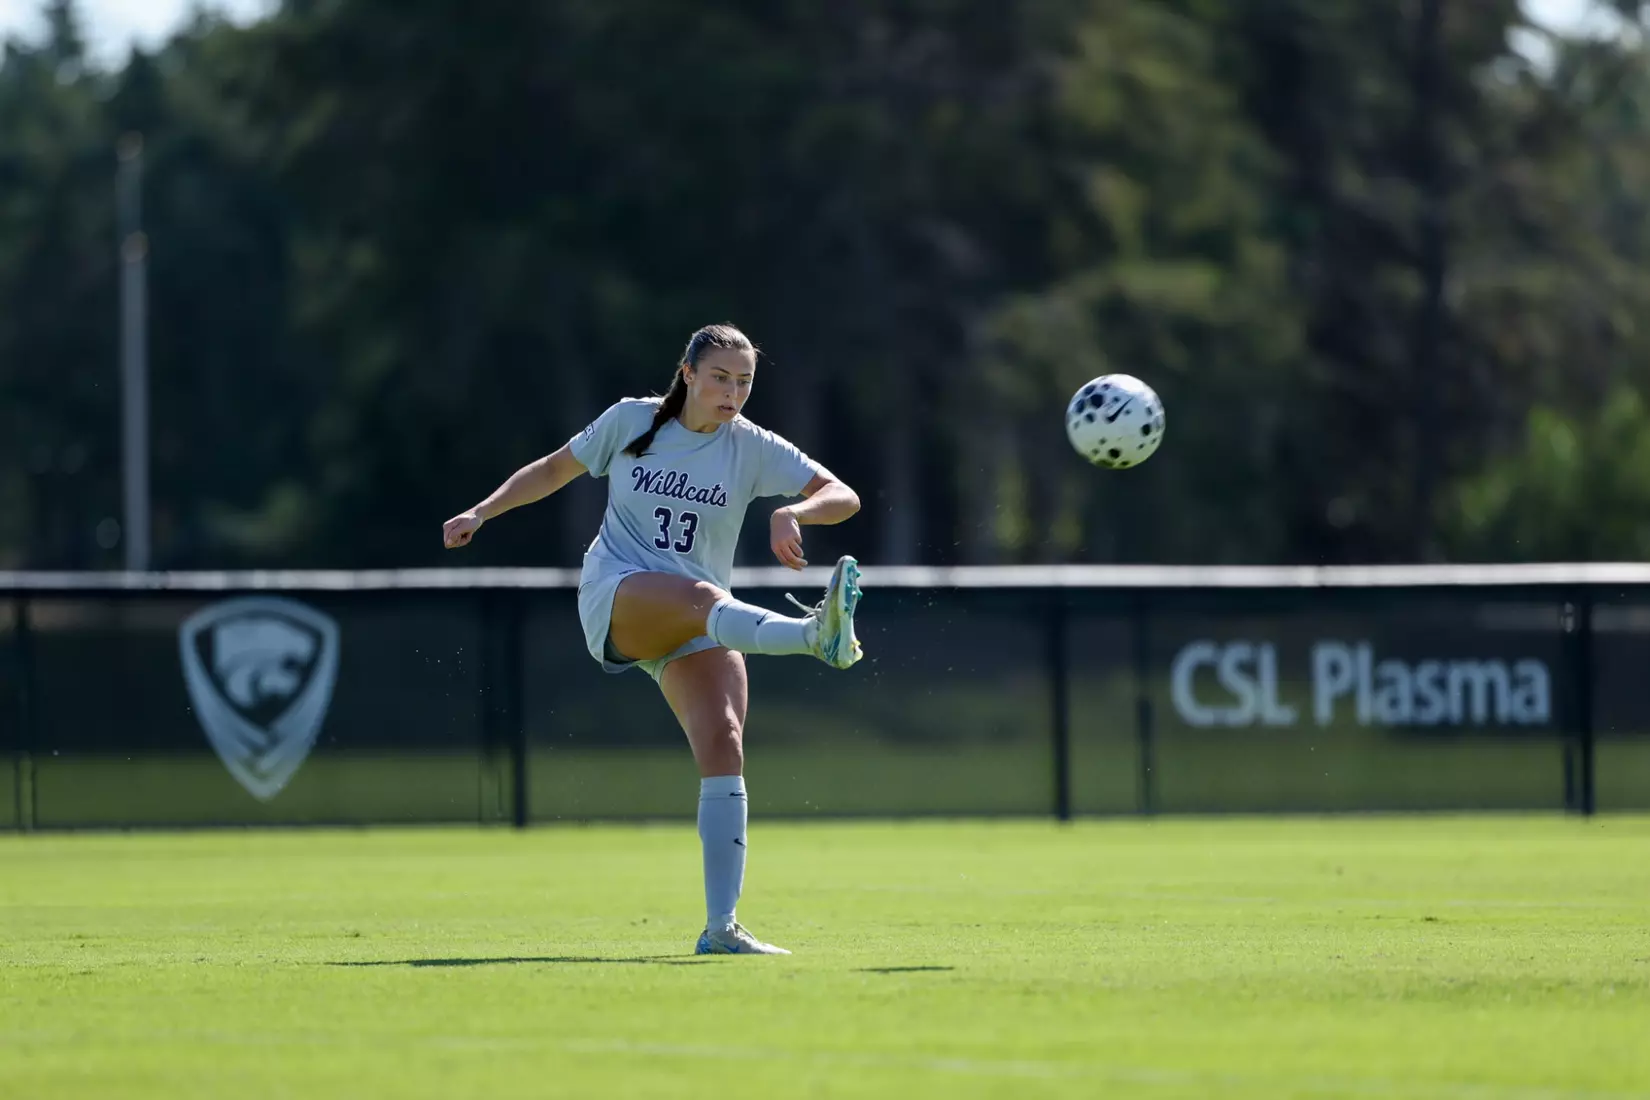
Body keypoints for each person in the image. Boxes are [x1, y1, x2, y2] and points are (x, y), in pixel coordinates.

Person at [441, 323, 864, 956]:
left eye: (744, 381)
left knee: (723, 743)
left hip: (700, 622)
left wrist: (792, 512)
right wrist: (481, 511)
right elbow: (555, 469)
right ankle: (812, 635)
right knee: (702, 601)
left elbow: (844, 496)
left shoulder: (750, 447)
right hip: (620, 597)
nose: (732, 392)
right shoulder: (633, 422)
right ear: (688, 374)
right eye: (720, 377)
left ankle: (721, 928)